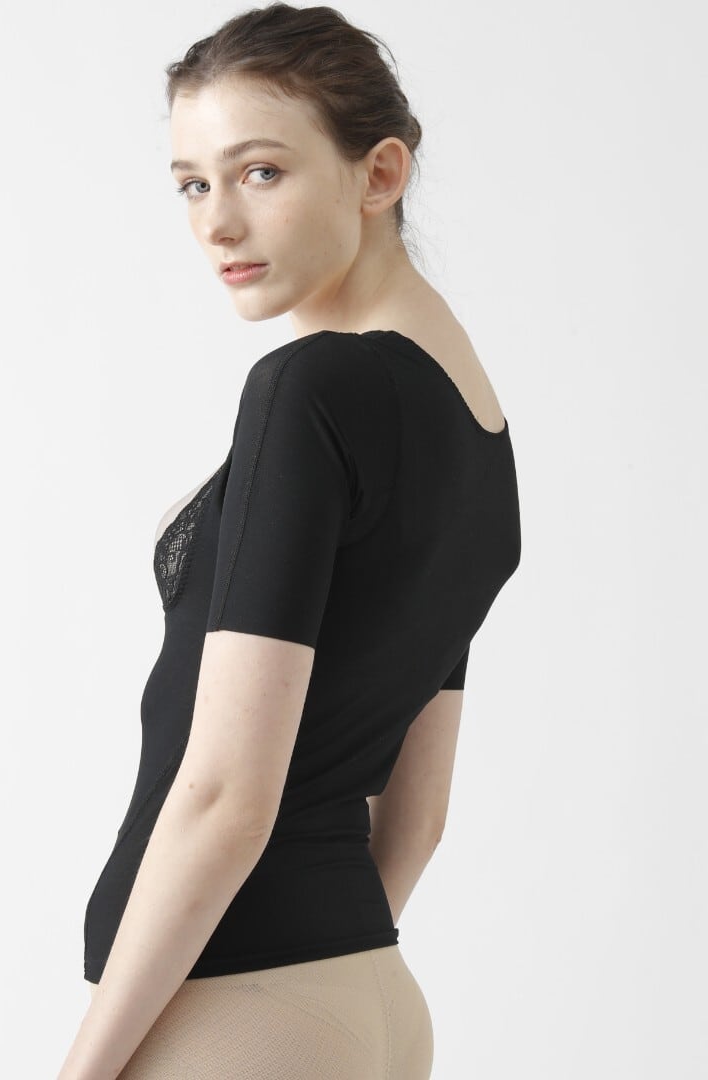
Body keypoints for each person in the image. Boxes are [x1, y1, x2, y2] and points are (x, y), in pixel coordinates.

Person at [55, 4, 521, 1077]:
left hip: (234, 1013)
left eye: (260, 172)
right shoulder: (479, 437)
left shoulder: (310, 389)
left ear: (379, 173)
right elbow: (420, 813)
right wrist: (326, 988)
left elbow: (226, 797)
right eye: (192, 184)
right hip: (364, 996)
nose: (217, 223)